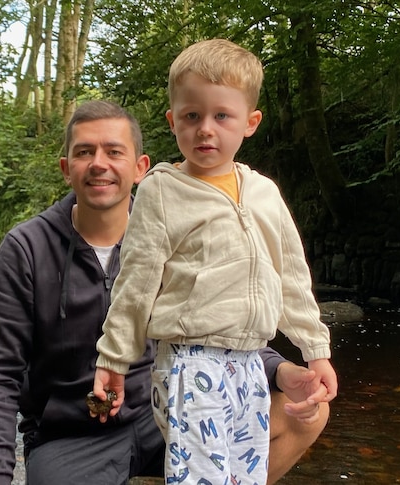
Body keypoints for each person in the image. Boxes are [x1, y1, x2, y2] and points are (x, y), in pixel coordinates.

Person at [0, 99, 329, 485]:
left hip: (166, 410)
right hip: (72, 436)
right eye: (84, 152)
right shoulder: (26, 249)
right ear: (66, 169)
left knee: (304, 410)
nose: (99, 163)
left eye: (114, 152)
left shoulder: (178, 228)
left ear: (140, 167)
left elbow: (214, 323)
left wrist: (280, 370)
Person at [92, 40, 338, 484]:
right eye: (191, 116)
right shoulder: (162, 191)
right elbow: (136, 282)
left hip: (248, 364)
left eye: (221, 116)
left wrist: (315, 351)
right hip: (190, 364)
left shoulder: (263, 192)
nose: (206, 129)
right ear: (172, 121)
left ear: (250, 123)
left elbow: (292, 278)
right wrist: (113, 359)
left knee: (245, 475)